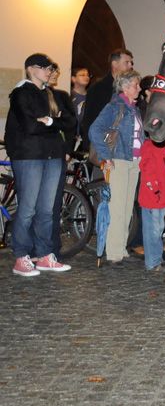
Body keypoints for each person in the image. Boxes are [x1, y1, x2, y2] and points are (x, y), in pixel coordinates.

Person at [4, 53, 72, 276]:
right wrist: (55, 123)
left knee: (46, 210)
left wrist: (50, 121)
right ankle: (21, 256)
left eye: (51, 69)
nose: (50, 72)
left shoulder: (50, 94)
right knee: (27, 209)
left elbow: (69, 122)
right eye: (46, 68)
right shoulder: (21, 93)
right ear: (31, 69)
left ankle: (44, 255)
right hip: (29, 156)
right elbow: (30, 126)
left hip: (52, 155)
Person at [88, 70, 144, 265]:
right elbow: (94, 130)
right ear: (126, 87)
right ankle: (113, 252)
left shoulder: (134, 108)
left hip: (133, 162)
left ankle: (121, 248)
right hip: (118, 160)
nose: (139, 88)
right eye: (136, 85)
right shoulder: (114, 106)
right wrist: (106, 155)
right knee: (117, 207)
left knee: (127, 208)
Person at [46, 63, 77, 260]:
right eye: (50, 70)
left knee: (54, 203)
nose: (53, 74)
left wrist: (68, 150)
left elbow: (71, 124)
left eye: (55, 71)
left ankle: (52, 249)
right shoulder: (29, 94)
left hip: (57, 153)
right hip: (37, 154)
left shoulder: (62, 96)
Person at [80, 49, 133, 151]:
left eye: (131, 63)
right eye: (127, 62)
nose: (130, 66)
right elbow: (89, 119)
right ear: (115, 64)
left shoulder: (130, 89)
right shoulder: (98, 89)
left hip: (125, 145)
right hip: (104, 145)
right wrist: (90, 145)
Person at [137, 138, 165, 272]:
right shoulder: (151, 147)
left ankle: (157, 258)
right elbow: (147, 170)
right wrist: (155, 190)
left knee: (158, 228)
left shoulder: (164, 148)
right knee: (153, 230)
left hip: (160, 195)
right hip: (154, 196)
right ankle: (153, 262)